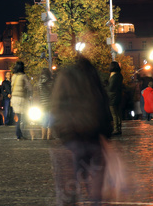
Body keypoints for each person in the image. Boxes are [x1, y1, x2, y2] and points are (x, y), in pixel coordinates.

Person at [51, 55, 112, 206]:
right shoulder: (93, 77)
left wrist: (60, 132)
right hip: (94, 136)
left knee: (70, 186)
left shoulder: (65, 76)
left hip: (72, 137)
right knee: (96, 189)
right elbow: (104, 104)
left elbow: (56, 105)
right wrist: (106, 134)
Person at [10, 61, 32, 140]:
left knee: (18, 117)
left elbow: (12, 87)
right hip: (21, 98)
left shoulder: (13, 76)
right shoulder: (23, 76)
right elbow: (29, 86)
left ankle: (19, 134)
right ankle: (20, 134)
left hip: (14, 98)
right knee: (24, 117)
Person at [107, 62, 124, 134]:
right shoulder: (119, 75)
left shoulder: (114, 76)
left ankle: (116, 129)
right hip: (118, 95)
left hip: (113, 96)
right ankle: (118, 128)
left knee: (114, 113)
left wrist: (106, 86)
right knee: (118, 113)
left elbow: (111, 87)